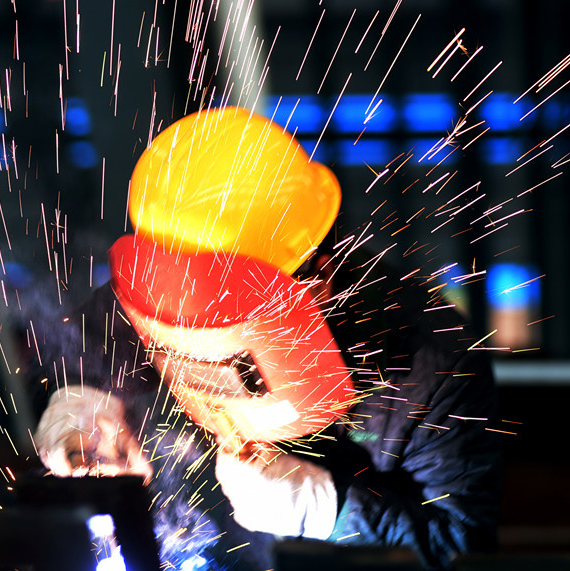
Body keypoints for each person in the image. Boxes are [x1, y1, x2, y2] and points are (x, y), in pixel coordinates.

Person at [25, 106, 502, 570]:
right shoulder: (165, 286)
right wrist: (81, 401)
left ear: (317, 276)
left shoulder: (433, 364)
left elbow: (462, 545)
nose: (197, 324)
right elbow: (93, 336)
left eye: (223, 312)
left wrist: (331, 512)